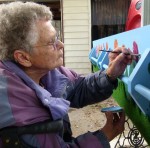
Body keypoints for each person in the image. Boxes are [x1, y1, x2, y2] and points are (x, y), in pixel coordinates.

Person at [0, 1, 134, 148]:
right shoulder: (17, 112)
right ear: (24, 58)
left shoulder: (46, 73)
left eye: (57, 38)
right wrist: (104, 136)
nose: (61, 45)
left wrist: (109, 74)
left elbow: (78, 87)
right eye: (51, 42)